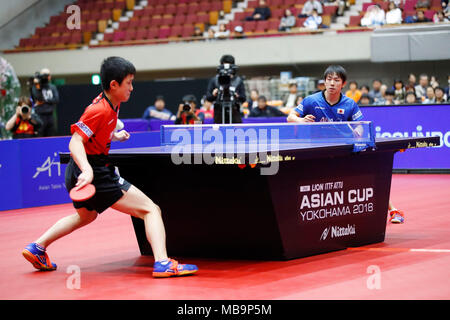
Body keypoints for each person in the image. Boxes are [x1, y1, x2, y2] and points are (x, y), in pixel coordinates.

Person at [21, 57, 198, 277]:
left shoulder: (112, 104)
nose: (132, 88)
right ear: (114, 85)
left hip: (80, 171)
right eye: (129, 83)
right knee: (151, 209)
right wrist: (87, 170)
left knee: (86, 216)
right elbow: (75, 141)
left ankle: (37, 247)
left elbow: (95, 134)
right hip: (93, 171)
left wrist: (114, 135)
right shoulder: (99, 109)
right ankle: (162, 262)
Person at [287, 65, 404, 223]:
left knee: (367, 177)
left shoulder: (349, 104)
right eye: (329, 79)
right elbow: (290, 117)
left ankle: (394, 211)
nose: (332, 83)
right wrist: (300, 120)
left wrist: (358, 134)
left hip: (344, 149)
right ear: (325, 81)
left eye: (336, 80)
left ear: (343, 84)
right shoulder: (311, 100)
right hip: (317, 149)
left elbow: (360, 126)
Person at [205, 54, 246, 123]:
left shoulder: (238, 80)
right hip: (219, 114)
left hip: (234, 113)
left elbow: (244, 98)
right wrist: (214, 95)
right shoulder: (215, 80)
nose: (226, 70)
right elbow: (208, 97)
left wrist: (237, 97)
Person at [30, 68, 59, 137]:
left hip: (50, 115)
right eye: (43, 75)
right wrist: (38, 85)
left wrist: (45, 100)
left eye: (47, 75)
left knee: (51, 135)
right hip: (40, 115)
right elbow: (38, 98)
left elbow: (56, 99)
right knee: (40, 135)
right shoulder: (36, 87)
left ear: (50, 76)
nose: (45, 77)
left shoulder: (52, 87)